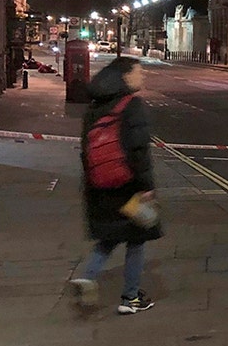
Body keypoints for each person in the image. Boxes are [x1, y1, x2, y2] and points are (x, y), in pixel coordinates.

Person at [69, 56, 162, 314]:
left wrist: (92, 180)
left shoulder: (95, 107)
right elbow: (138, 151)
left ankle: (87, 277)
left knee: (109, 238)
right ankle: (130, 298)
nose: (142, 76)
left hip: (100, 183)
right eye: (138, 71)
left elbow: (86, 149)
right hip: (129, 185)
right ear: (125, 76)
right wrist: (147, 186)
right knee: (136, 239)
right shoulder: (132, 105)